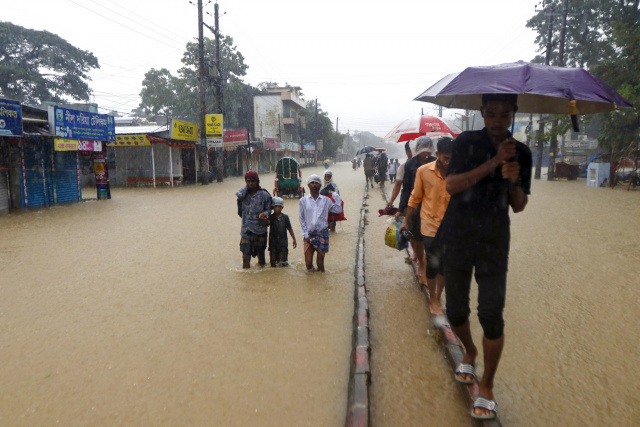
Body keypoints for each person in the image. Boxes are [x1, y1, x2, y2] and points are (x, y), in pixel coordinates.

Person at [436, 93, 531, 420]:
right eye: (491, 114)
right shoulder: (465, 143)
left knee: (491, 314)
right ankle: (470, 350)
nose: (497, 121)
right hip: (459, 237)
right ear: (482, 114)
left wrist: (514, 179)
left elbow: (518, 205)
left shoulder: (522, 154)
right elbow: (451, 186)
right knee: (456, 309)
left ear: (513, 115)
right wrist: (492, 163)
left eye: (504, 115)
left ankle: (487, 384)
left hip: (494, 242)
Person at [399, 137, 454, 315]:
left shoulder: (459, 172)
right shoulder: (422, 171)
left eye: (452, 158)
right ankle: (433, 298)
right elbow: (414, 197)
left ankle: (438, 295)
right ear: (437, 155)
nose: (449, 162)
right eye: (446, 158)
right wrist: (406, 219)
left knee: (445, 264)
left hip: (450, 225)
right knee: (433, 261)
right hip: (429, 223)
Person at [397, 137, 436, 286]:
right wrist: (401, 209)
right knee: (418, 239)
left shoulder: (436, 162)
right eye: (423, 147)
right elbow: (406, 189)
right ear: (418, 148)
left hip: (433, 206)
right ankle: (421, 264)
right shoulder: (410, 165)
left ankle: (426, 265)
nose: (425, 150)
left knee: (431, 240)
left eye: (428, 147)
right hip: (416, 206)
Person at [299, 174, 343, 272]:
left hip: (322, 234)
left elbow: (338, 209)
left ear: (320, 185)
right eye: (312, 183)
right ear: (308, 185)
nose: (314, 185)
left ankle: (321, 280)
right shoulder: (303, 200)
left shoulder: (326, 200)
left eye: (317, 183)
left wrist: (335, 195)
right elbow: (301, 219)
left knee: (320, 263)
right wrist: (306, 235)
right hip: (309, 234)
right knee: (308, 264)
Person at [236, 170, 272, 269]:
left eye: (253, 181)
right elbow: (238, 195)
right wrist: (247, 187)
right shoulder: (243, 195)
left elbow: (269, 209)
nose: (250, 183)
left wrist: (265, 214)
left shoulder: (264, 195)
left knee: (261, 258)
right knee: (245, 257)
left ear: (257, 181)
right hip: (246, 230)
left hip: (260, 230)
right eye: (248, 181)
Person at [268, 197, 297, 267]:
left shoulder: (285, 217)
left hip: (283, 244)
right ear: (273, 208)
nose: (277, 208)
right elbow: (266, 224)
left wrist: (294, 239)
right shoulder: (271, 218)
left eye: (279, 206)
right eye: (275, 206)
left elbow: (290, 229)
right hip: (273, 244)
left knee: (283, 263)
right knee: (273, 264)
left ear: (282, 208)